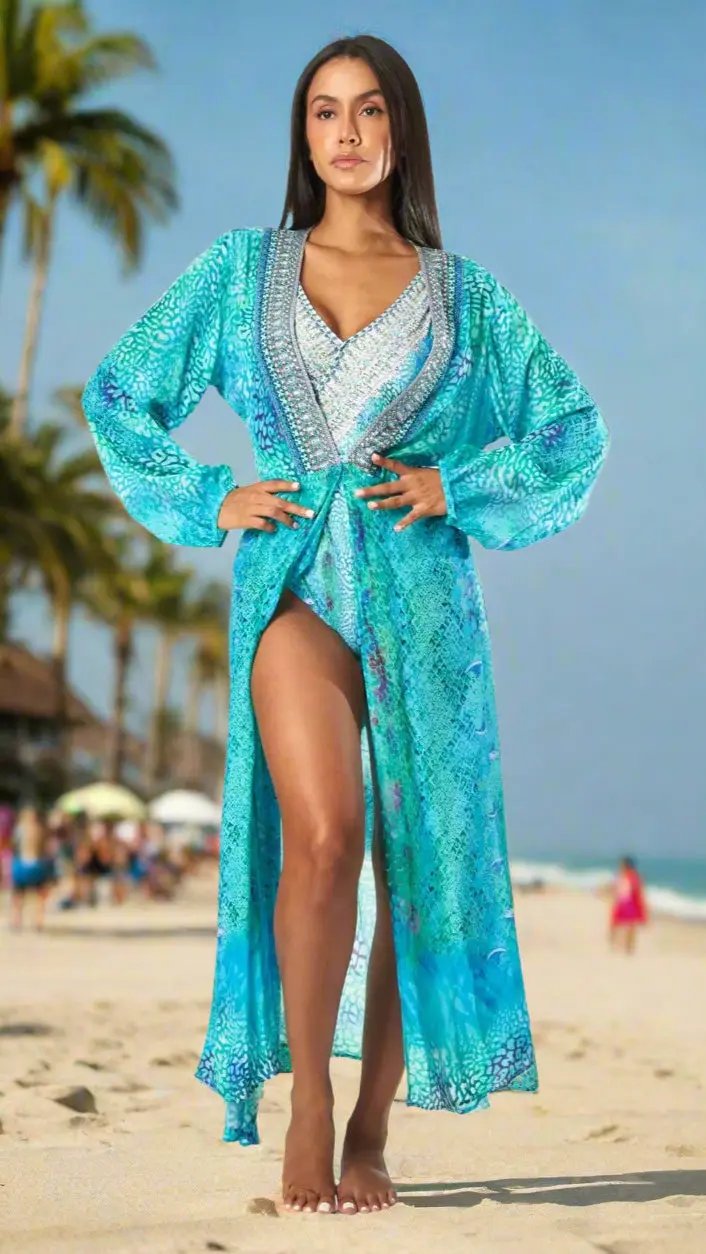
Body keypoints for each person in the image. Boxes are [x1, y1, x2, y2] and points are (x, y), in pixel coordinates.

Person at [81, 34, 610, 1217]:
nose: (347, 133)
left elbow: (572, 429)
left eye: (369, 111)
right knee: (323, 837)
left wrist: (454, 486)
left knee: (409, 864)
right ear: (302, 135)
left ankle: (372, 1128)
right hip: (292, 595)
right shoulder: (236, 273)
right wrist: (203, 494)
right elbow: (120, 389)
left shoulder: (465, 296)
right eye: (324, 113)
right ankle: (308, 1103)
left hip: (423, 604)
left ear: (400, 130)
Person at [9, 805, 56, 931]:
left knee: (18, 896)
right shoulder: (40, 830)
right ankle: (38, 922)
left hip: (21, 864)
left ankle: (17, 921)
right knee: (39, 896)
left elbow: (14, 847)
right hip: (37, 864)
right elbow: (46, 850)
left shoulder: (19, 830)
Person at [609, 856, 648, 953]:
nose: (620, 866)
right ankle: (618, 944)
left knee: (629, 925)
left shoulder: (633, 876)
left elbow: (637, 890)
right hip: (623, 901)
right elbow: (616, 888)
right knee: (619, 924)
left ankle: (627, 947)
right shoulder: (622, 875)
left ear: (626, 865)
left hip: (629, 902)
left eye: (621, 864)